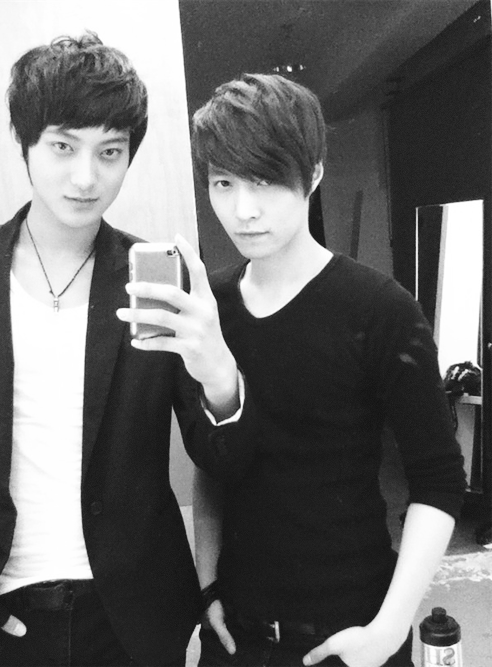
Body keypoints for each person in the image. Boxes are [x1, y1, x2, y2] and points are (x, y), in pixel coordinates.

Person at [187, 73, 467, 667]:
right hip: (236, 635)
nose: (243, 209)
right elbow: (211, 467)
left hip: (352, 629)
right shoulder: (209, 308)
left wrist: (389, 630)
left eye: (266, 181)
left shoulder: (380, 308)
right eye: (224, 182)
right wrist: (208, 586)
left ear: (313, 174)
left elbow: (439, 479)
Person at [0, 32, 242, 667]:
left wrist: (220, 376)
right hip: (5, 611)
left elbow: (220, 459)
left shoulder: (157, 281)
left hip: (133, 618)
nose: (86, 177)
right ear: (25, 143)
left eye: (110, 151)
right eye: (63, 146)